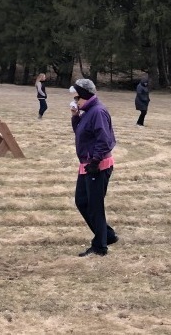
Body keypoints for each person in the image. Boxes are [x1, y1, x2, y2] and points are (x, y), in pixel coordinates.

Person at [70, 78, 118, 257]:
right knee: (82, 201)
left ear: (84, 95)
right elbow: (80, 132)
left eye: (77, 98)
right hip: (87, 165)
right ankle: (108, 235)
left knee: (94, 205)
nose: (75, 101)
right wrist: (75, 117)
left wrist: (95, 161)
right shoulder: (87, 111)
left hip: (96, 166)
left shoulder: (97, 112)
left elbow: (105, 140)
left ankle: (100, 246)